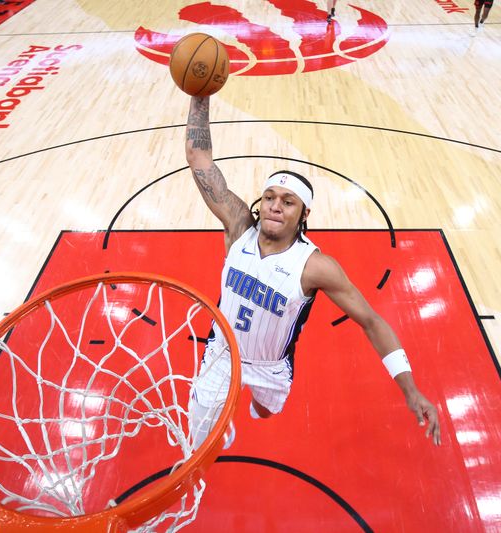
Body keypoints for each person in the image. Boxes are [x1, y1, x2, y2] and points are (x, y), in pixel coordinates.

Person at [185, 95, 441, 450]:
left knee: (267, 410)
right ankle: (213, 430)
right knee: (199, 444)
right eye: (270, 197)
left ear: (304, 214)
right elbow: (199, 159)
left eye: (288, 202)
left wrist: (410, 389)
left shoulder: (315, 266)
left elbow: (371, 321)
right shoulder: (238, 226)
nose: (275, 206)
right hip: (221, 356)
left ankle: (256, 403)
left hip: (272, 367)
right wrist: (200, 96)